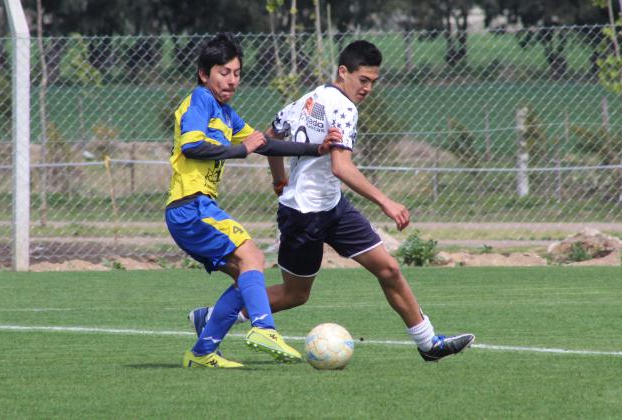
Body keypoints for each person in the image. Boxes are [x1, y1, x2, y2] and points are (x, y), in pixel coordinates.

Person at [189, 40, 474, 363]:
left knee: (389, 269)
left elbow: (270, 137)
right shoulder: (344, 107)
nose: (367, 89)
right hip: (304, 215)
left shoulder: (308, 99)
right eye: (362, 80)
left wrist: (279, 179)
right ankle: (212, 318)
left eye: (372, 82)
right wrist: (386, 202)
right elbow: (340, 166)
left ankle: (428, 343)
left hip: (333, 208)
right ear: (343, 72)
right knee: (296, 294)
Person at [167, 33, 341, 368]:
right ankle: (263, 327)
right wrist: (239, 150)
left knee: (245, 275)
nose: (231, 80)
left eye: (236, 73)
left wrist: (314, 148)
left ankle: (203, 352)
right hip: (189, 207)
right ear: (205, 74)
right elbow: (192, 146)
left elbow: (265, 144)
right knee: (253, 255)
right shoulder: (200, 100)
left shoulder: (226, 113)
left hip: (198, 208)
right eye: (223, 72)